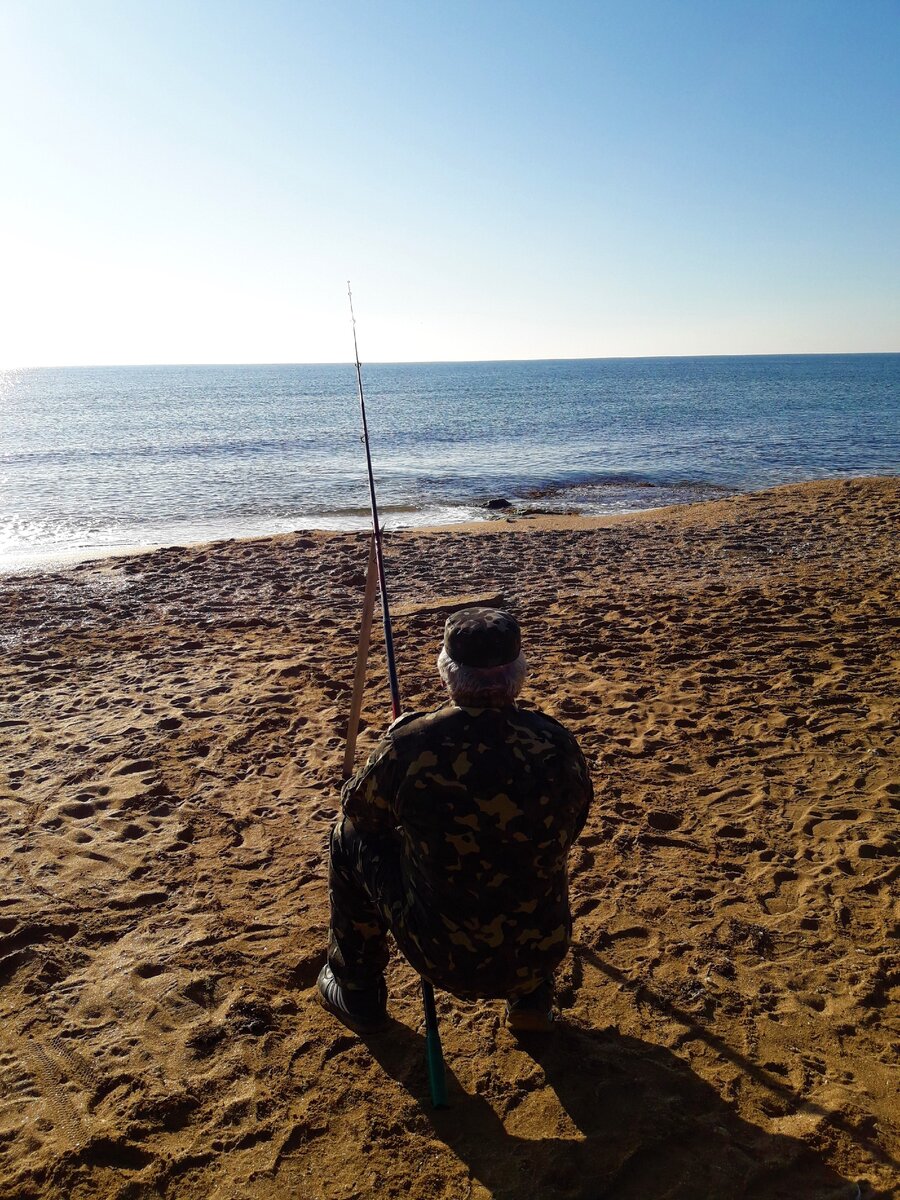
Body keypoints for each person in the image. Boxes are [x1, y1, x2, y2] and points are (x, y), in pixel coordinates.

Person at [317, 607, 593, 1034]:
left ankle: (357, 989)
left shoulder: (411, 744)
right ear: (519, 673)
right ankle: (531, 996)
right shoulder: (556, 742)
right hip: (539, 951)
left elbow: (357, 811)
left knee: (347, 837)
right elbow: (573, 827)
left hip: (441, 956)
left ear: (446, 673)